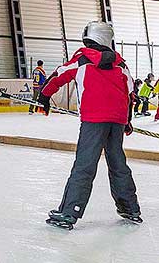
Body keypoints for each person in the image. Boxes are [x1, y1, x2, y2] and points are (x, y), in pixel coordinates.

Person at [37, 21, 141, 230]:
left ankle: (69, 212)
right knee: (118, 163)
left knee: (84, 165)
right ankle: (130, 208)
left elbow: (58, 75)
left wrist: (44, 97)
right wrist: (127, 121)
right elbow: (131, 94)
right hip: (117, 121)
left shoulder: (83, 59)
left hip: (94, 121)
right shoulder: (121, 64)